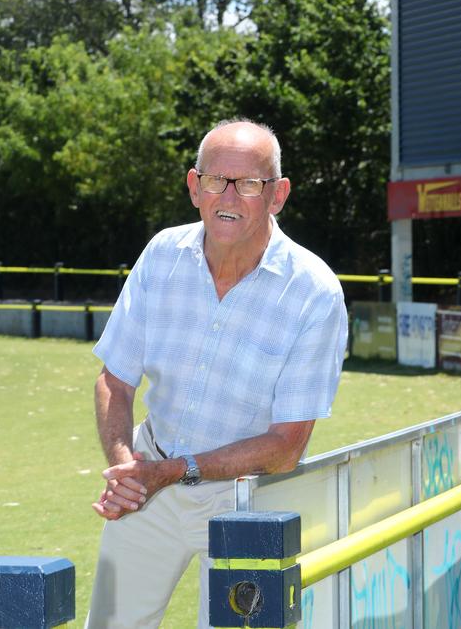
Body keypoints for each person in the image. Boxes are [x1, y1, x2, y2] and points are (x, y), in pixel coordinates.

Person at [86, 119, 348, 628]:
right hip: (149, 480)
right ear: (193, 186)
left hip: (249, 503)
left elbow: (286, 445)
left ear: (278, 195)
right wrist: (127, 471)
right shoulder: (162, 255)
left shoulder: (315, 292)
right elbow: (114, 380)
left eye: (249, 183)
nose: (229, 195)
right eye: (215, 180)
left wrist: (167, 472)